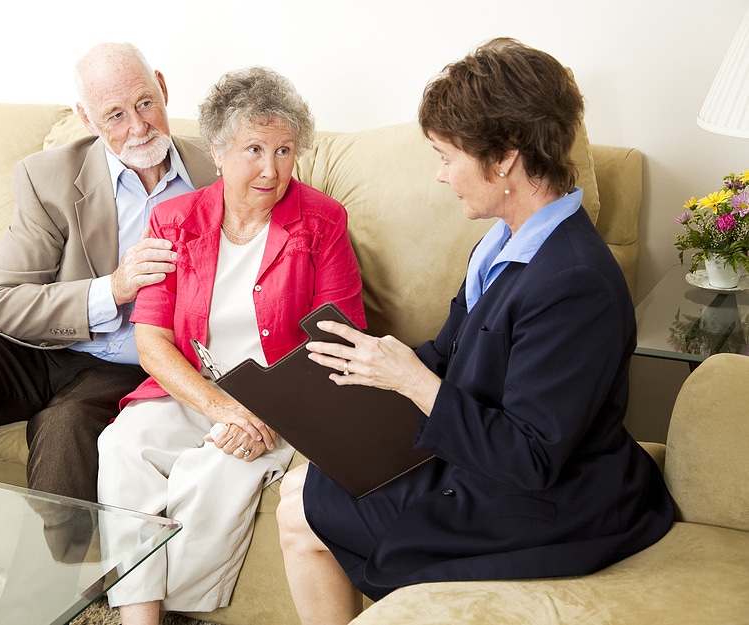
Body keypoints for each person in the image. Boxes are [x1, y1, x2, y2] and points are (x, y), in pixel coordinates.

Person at [276, 38, 675, 625]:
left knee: (299, 511)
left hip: (547, 500)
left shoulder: (575, 283)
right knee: (302, 486)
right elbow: (445, 353)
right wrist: (361, 370)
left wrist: (414, 384)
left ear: (506, 155)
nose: (441, 176)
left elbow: (533, 456)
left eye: (446, 155)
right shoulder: (502, 243)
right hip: (483, 462)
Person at [0, 42, 218, 507]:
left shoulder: (220, 174)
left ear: (163, 88)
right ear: (87, 120)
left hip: (135, 365)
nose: (138, 126)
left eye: (145, 102)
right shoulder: (47, 177)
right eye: (115, 115)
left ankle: (66, 578)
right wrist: (114, 288)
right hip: (46, 348)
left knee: (64, 429)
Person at [96, 66, 365, 625]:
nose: (272, 170)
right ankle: (137, 618)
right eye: (254, 150)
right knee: (121, 445)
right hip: (197, 390)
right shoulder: (174, 219)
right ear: (217, 151)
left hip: (282, 403)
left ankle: (181, 613)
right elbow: (152, 339)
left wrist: (264, 413)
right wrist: (221, 406)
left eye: (285, 150)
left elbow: (344, 341)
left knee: (213, 472)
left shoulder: (321, 223)